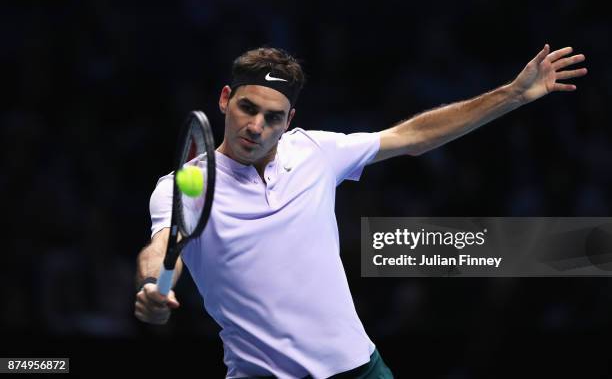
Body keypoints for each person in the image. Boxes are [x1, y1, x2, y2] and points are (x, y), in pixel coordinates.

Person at [134, 45, 586, 378]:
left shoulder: (314, 150)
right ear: (225, 99)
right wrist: (153, 287)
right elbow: (158, 248)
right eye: (247, 108)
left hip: (360, 368)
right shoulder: (187, 184)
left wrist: (511, 94)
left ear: (289, 120)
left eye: (273, 116)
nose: (256, 127)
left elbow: (413, 137)